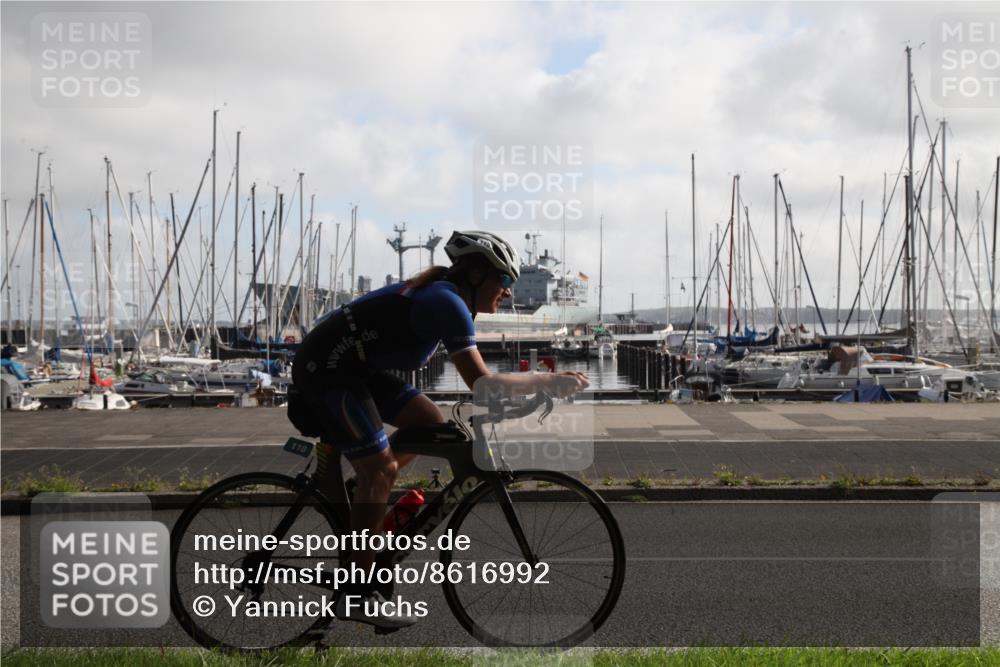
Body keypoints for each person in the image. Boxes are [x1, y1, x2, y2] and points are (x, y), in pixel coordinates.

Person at [290, 230, 589, 629]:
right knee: (380, 470)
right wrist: (544, 381)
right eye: (505, 281)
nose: (508, 293)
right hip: (327, 368)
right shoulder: (446, 302)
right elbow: (482, 384)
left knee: (429, 423)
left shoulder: (448, 297)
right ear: (478, 276)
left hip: (354, 368)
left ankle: (365, 500)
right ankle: (357, 595)